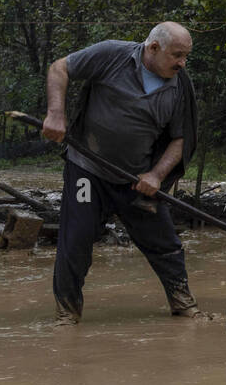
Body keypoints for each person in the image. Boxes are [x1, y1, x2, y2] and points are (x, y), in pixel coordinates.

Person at [41, 22, 204, 325]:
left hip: (137, 180)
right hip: (87, 171)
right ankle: (67, 314)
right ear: (153, 48)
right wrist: (56, 113)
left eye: (186, 57)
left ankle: (184, 305)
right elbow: (59, 68)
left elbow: (181, 139)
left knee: (165, 244)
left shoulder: (180, 86)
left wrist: (156, 175)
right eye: (177, 55)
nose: (182, 64)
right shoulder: (111, 54)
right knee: (75, 240)